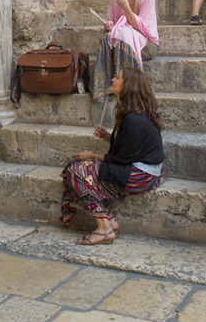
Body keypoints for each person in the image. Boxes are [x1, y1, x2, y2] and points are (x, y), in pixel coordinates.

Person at [60, 68, 163, 245]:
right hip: (135, 168)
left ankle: (104, 228)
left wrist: (93, 155)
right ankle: (107, 219)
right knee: (73, 166)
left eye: (118, 78)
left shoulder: (134, 118)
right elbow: (128, 147)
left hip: (142, 175)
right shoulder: (130, 112)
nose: (113, 80)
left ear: (128, 86)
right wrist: (108, 137)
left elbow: (123, 158)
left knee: (78, 170)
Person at [91, 0, 159, 101]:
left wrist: (126, 8)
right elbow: (111, 24)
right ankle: (105, 87)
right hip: (123, 39)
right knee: (106, 38)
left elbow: (144, 29)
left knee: (124, 33)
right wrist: (109, 26)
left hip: (146, 45)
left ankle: (129, 90)